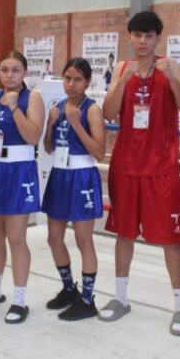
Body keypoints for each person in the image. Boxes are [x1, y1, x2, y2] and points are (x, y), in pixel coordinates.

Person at [101, 10, 180, 334]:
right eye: (137, 35)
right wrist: (121, 82)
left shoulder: (170, 66)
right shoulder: (121, 68)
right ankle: (121, 298)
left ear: (158, 38)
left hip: (161, 167)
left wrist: (173, 80)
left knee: (171, 238)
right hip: (126, 165)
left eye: (149, 36)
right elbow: (109, 113)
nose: (142, 41)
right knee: (124, 234)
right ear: (129, 37)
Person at [0, 51, 45, 324]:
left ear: (24, 72)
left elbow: (33, 136)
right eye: (4, 70)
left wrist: (14, 108)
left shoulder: (32, 98)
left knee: (16, 239)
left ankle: (20, 300)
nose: (9, 75)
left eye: (15, 70)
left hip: (19, 170)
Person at [42, 58, 106, 320]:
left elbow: (99, 152)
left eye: (77, 79)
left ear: (87, 82)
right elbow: (48, 148)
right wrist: (50, 124)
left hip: (82, 176)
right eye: (67, 78)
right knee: (53, 237)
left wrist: (77, 124)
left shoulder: (92, 110)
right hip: (59, 174)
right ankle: (69, 289)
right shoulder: (57, 107)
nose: (71, 84)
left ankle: (88, 301)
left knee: (83, 240)